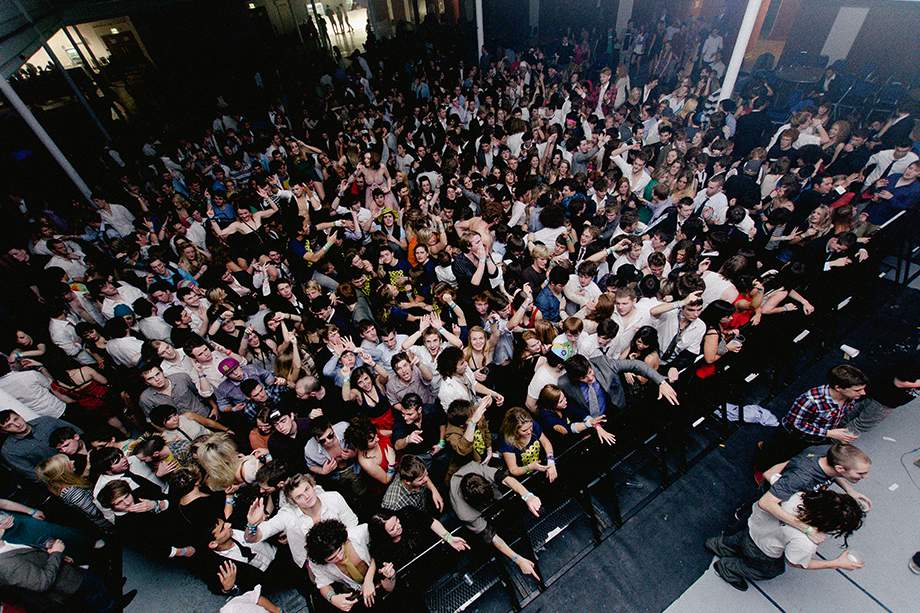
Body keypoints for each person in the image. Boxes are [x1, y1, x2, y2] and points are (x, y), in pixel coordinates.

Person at [707, 489, 864, 591]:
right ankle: (728, 567)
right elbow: (795, 562)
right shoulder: (805, 543)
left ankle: (718, 545)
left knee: (736, 540)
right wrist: (835, 563)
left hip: (752, 527)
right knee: (770, 571)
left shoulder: (798, 496)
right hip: (763, 551)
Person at [0, 514, 135, 612]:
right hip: (68, 584)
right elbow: (41, 583)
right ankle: (114, 606)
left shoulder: (5, 542)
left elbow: (32, 558)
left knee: (97, 584)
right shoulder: (5, 564)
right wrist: (56, 553)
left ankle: (112, 593)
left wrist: (55, 556)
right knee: (97, 597)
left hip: (66, 571)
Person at [756, 365, 869, 471]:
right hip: (793, 435)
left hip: (815, 437)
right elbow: (797, 424)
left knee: (791, 456)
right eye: (857, 390)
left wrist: (834, 433)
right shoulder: (810, 400)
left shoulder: (851, 398)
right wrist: (829, 433)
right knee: (774, 456)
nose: (863, 393)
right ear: (838, 388)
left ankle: (768, 448)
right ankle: (762, 467)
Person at [450, 459, 543, 580]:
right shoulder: (465, 512)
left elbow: (506, 480)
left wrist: (528, 496)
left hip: (491, 492)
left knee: (509, 514)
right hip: (474, 509)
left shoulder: (479, 471)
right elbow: (492, 536)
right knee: (488, 540)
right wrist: (518, 560)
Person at [306, 519, 396, 610]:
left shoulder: (360, 533)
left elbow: (380, 550)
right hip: (357, 593)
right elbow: (323, 584)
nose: (340, 557)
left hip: (383, 573)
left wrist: (369, 579)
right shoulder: (316, 564)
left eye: (340, 550)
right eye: (332, 558)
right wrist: (332, 598)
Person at [1, 410, 80, 483]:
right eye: (9, 426)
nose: (17, 425)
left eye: (16, 419)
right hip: (61, 477)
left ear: (20, 415)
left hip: (81, 457)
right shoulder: (9, 450)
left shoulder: (46, 421)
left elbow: (78, 432)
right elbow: (33, 474)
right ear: (4, 431)